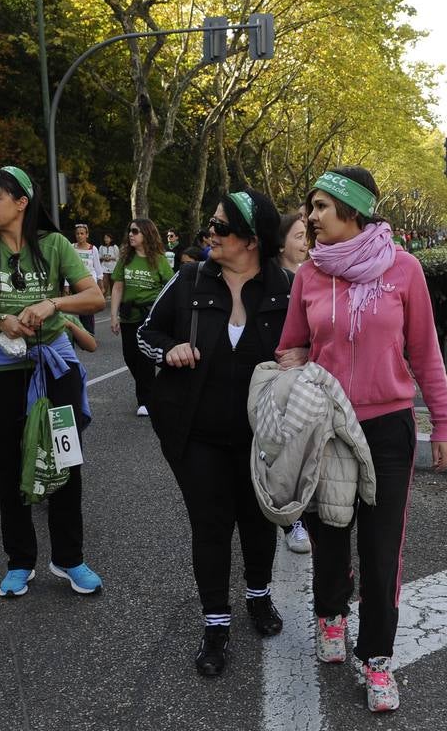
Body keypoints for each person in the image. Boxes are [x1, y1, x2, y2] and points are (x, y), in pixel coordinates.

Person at [275, 166, 447, 713]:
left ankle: (377, 659)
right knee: (330, 531)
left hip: (388, 426)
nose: (311, 218)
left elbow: (425, 351)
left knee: (382, 548)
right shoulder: (309, 275)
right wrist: (292, 369)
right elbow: (291, 346)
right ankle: (331, 615)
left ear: (353, 211)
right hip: (327, 425)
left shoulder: (404, 270)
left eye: (321, 207)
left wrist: (443, 423)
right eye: (310, 208)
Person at [138, 189, 290, 677]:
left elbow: (307, 344)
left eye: (220, 227)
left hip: (263, 435)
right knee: (210, 525)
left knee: (258, 519)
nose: (210, 233)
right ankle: (216, 626)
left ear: (250, 239)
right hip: (196, 433)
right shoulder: (188, 280)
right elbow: (145, 334)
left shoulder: (284, 287)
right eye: (211, 223)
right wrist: (171, 350)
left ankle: (259, 597)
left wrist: (301, 358)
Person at [0, 166, 106, 597]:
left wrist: (52, 303)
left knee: (66, 459)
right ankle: (20, 560)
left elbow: (94, 295)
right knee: (10, 464)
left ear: (22, 202)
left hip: (54, 363)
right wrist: (1, 321)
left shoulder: (54, 245)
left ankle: (70, 558)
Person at [276, 211, 312, 555]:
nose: (305, 243)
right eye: (298, 236)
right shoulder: (270, 280)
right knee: (284, 451)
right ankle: (291, 520)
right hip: (280, 375)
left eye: (306, 236)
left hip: (313, 375)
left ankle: (303, 512)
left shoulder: (317, 274)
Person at [111, 218, 173, 417]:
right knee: (130, 356)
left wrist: (165, 315)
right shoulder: (125, 259)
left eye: (135, 231)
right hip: (129, 315)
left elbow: (170, 288)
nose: (131, 234)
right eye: (130, 231)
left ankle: (145, 400)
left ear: (146, 234)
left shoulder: (159, 259)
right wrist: (113, 315)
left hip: (149, 317)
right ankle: (153, 390)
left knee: (144, 357)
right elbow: (118, 286)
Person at [70, 224, 103, 334]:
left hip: (89, 283)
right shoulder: (71, 247)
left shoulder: (93, 249)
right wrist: (66, 284)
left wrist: (100, 283)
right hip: (76, 282)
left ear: (87, 235)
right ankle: (82, 332)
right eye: (77, 233)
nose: (79, 236)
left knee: (88, 308)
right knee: (80, 309)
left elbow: (98, 268)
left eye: (82, 233)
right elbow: (68, 266)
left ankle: (89, 332)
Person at [98, 233, 118, 298]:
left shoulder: (115, 247)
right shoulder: (101, 247)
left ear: (111, 239)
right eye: (105, 238)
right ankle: (103, 298)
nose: (106, 239)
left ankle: (114, 298)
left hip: (113, 268)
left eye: (107, 238)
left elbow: (118, 257)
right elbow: (99, 257)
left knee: (113, 284)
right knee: (104, 284)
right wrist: (103, 258)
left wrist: (111, 258)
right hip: (104, 267)